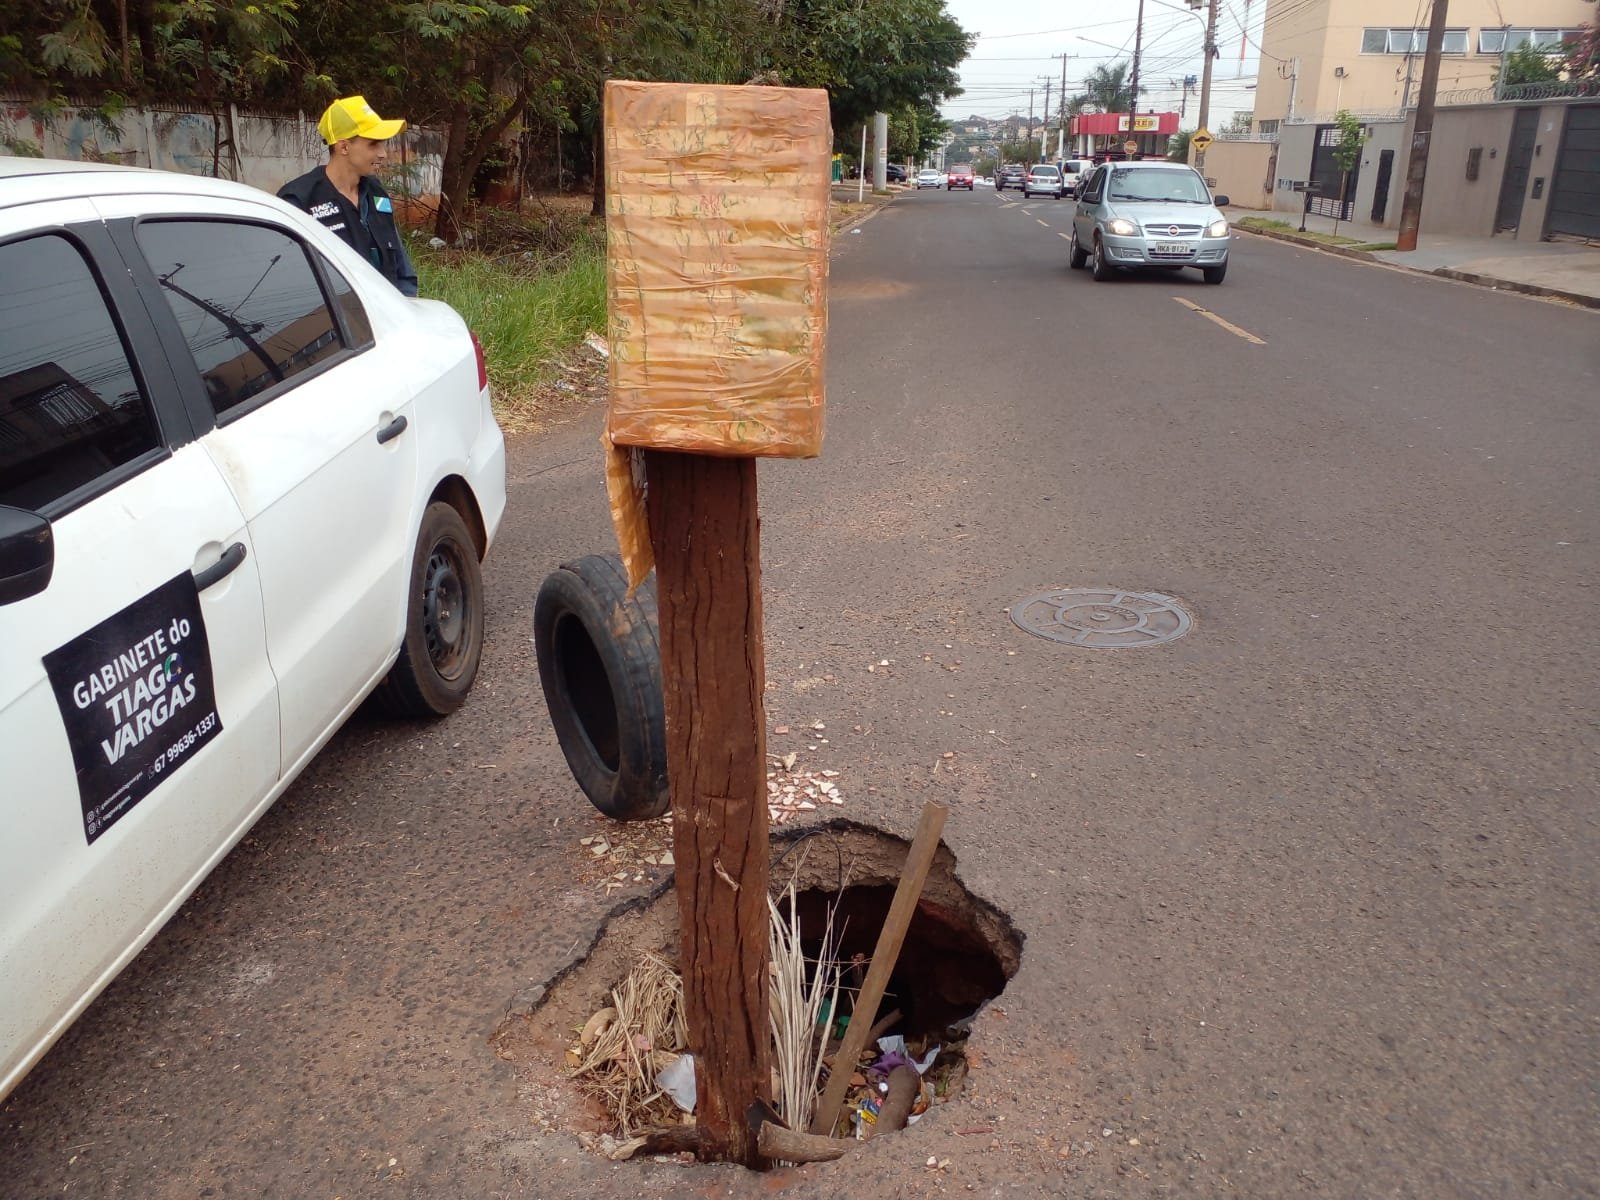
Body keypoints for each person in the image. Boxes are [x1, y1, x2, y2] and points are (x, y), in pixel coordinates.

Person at [279, 96, 419, 297]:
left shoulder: (376, 192)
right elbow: (293, 283)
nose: (383, 154)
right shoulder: (300, 201)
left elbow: (401, 267)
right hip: (338, 324)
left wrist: (405, 306)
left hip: (387, 317)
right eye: (373, 145)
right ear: (343, 147)